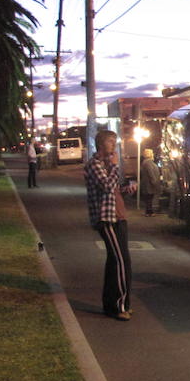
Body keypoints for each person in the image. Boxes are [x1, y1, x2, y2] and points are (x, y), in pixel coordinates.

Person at [84, 129, 135, 320]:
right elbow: (106, 186)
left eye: (115, 141)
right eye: (110, 141)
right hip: (106, 218)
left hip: (119, 216)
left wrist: (127, 189)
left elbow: (114, 189)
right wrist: (114, 166)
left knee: (119, 261)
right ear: (100, 144)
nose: (113, 144)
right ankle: (119, 306)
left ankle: (115, 304)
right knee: (120, 260)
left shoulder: (108, 164)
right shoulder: (94, 165)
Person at [139, 147, 162, 216]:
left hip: (148, 184)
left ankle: (149, 211)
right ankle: (149, 212)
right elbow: (150, 173)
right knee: (149, 198)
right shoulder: (148, 163)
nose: (153, 154)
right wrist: (154, 182)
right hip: (149, 184)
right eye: (152, 153)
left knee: (149, 198)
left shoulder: (146, 162)